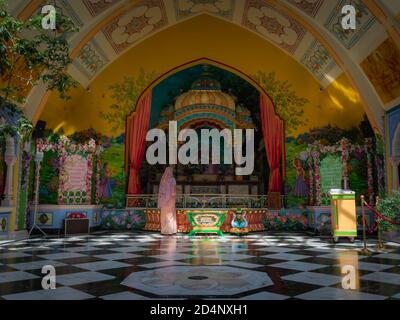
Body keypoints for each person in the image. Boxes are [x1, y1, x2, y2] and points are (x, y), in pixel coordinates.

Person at [158, 167, 177, 235]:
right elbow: (173, 191)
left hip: (163, 200)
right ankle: (170, 230)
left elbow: (160, 191)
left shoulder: (163, 180)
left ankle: (164, 230)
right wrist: (174, 198)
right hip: (170, 200)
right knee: (170, 214)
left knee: (164, 215)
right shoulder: (172, 180)